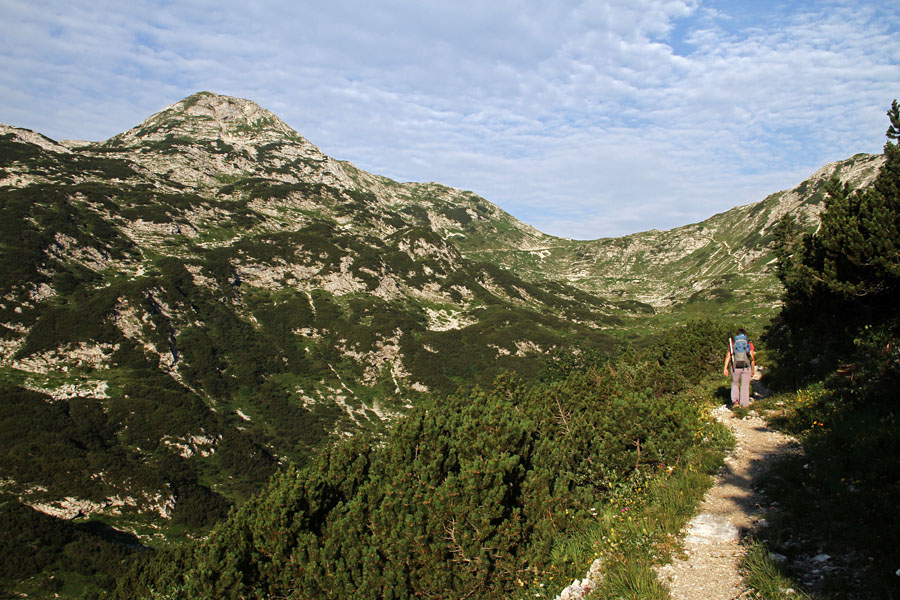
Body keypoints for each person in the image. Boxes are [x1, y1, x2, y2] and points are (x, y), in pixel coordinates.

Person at [723, 328, 756, 408]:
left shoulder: (733, 344)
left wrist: (725, 368)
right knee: (745, 385)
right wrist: (752, 370)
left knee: (735, 384)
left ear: (737, 335)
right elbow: (752, 359)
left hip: (735, 367)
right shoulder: (749, 344)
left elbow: (728, 357)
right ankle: (744, 404)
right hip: (746, 367)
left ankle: (735, 402)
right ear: (745, 335)